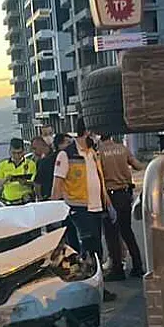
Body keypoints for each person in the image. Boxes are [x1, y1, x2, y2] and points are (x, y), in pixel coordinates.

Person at [51, 120, 116, 302]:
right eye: (94, 134)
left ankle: (99, 287)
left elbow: (100, 180)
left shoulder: (92, 153)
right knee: (89, 248)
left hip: (96, 207)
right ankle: (89, 290)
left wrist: (108, 204)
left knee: (97, 250)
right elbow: (58, 185)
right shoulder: (66, 155)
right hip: (79, 209)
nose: (96, 138)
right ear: (87, 132)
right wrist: (53, 211)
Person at [97, 134, 145, 281]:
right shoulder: (122, 149)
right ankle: (138, 266)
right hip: (125, 194)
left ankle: (117, 269)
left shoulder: (99, 153)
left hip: (110, 197)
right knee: (127, 231)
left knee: (111, 234)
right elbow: (138, 166)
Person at [0, 138, 37, 204]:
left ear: (24, 151)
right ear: (9, 151)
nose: (17, 156)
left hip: (26, 201)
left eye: (19, 153)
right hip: (9, 202)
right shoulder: (3, 165)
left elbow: (36, 183)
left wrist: (25, 183)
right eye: (14, 153)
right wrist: (5, 179)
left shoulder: (30, 164)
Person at [30, 136, 56, 200]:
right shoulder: (56, 156)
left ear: (41, 145)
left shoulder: (44, 161)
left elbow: (37, 183)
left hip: (48, 196)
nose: (34, 151)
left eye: (35, 148)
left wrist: (39, 198)